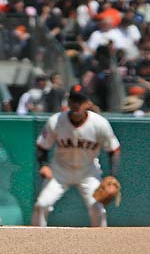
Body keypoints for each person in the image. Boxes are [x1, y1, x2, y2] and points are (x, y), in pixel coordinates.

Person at [31, 85, 121, 227]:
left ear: (88, 103)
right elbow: (42, 146)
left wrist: (112, 176)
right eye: (74, 100)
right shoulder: (56, 121)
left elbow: (114, 150)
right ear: (68, 102)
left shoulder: (100, 124)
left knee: (98, 209)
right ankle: (35, 243)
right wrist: (43, 165)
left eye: (81, 100)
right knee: (41, 205)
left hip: (88, 172)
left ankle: (101, 245)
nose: (77, 104)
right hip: (59, 171)